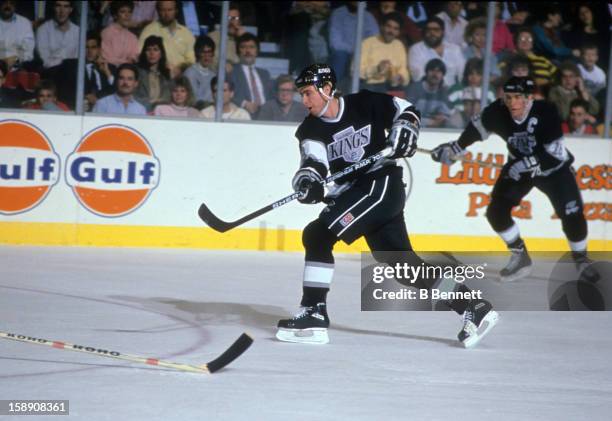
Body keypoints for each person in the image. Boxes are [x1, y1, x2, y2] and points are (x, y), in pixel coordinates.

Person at [276, 63, 498, 348]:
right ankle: (474, 306)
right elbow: (313, 162)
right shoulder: (310, 129)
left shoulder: (365, 103)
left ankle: (314, 313)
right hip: (359, 193)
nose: (304, 101)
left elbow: (406, 109)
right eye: (301, 95)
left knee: (317, 235)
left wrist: (406, 127)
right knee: (405, 268)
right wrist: (309, 181)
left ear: (327, 89)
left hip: (380, 185)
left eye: (308, 93)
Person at [431, 76, 592, 283]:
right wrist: (454, 148)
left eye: (518, 97)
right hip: (519, 167)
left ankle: (581, 260)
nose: (513, 103)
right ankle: (520, 256)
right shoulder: (497, 111)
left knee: (573, 214)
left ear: (529, 97)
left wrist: (524, 165)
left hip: (552, 170)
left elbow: (555, 154)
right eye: (508, 97)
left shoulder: (546, 111)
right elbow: (476, 127)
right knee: (496, 212)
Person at [138, 0, 195, 75]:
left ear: (176, 11)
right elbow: (140, 55)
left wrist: (180, 68)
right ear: (158, 11)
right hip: (157, 75)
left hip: (181, 76)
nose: (166, 13)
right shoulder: (149, 30)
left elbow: (191, 60)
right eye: (163, 10)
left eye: (170, 10)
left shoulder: (186, 32)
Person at [359, 11, 410, 93]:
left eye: (395, 29)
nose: (391, 31)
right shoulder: (367, 43)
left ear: (398, 32)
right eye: (389, 26)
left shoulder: (399, 45)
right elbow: (355, 71)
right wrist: (377, 69)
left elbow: (404, 70)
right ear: (382, 26)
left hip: (392, 87)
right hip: (370, 86)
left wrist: (400, 77)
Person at [408, 16, 465, 87]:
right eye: (428, 30)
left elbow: (462, 74)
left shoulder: (455, 49)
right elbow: (417, 76)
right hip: (428, 92)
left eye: (436, 30)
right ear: (424, 32)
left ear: (443, 32)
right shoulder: (416, 49)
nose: (432, 33)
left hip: (452, 92)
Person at [228, 32, 272, 119]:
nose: (248, 51)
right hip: (242, 116)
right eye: (243, 47)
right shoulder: (231, 71)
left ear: (257, 51)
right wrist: (244, 103)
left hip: (266, 116)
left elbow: (271, 96)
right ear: (238, 51)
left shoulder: (265, 74)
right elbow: (224, 93)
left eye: (251, 47)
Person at [405, 58, 453, 128]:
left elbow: (448, 114)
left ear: (443, 75)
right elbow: (407, 115)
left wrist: (443, 118)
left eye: (438, 71)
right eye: (432, 70)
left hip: (436, 130)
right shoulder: (415, 88)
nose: (435, 74)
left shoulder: (444, 91)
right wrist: (429, 122)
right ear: (426, 72)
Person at [36, 0, 79, 69]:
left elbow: (77, 59)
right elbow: (45, 60)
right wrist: (64, 62)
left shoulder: (78, 31)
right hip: (50, 72)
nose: (62, 11)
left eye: (66, 6)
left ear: (71, 9)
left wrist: (57, 59)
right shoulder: (43, 30)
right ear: (54, 8)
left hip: (72, 72)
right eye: (58, 6)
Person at [134, 35, 171, 112]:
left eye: (155, 49)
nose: (152, 53)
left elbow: (168, 97)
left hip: (161, 113)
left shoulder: (166, 74)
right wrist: (151, 102)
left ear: (161, 53)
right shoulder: (137, 72)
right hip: (140, 112)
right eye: (148, 50)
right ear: (144, 53)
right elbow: (132, 96)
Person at [101, 0, 140, 67]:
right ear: (115, 15)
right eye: (122, 12)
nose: (127, 15)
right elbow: (107, 58)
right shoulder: (106, 33)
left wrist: (132, 58)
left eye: (129, 12)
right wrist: (126, 62)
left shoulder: (132, 37)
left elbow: (135, 56)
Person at [84, 31, 116, 112]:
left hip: (107, 110)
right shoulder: (76, 67)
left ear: (99, 49)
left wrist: (107, 72)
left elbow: (116, 89)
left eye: (93, 47)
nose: (89, 51)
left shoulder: (110, 68)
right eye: (86, 47)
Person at [0, 0, 35, 70]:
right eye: (5, 2)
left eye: (11, 3)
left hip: (17, 67)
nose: (8, 6)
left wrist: (16, 59)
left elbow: (28, 52)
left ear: (15, 6)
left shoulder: (25, 23)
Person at [183, 35, 216, 108]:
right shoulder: (190, 73)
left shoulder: (213, 74)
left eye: (209, 52)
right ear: (197, 53)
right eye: (203, 52)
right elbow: (193, 101)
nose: (206, 56)